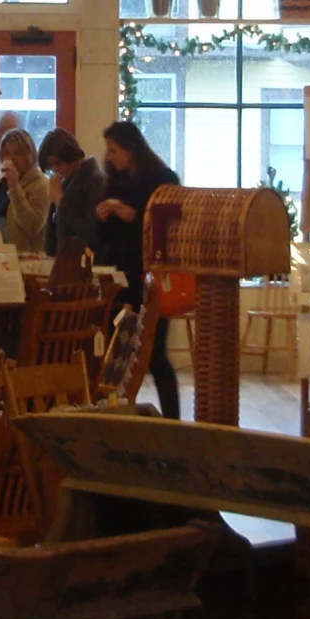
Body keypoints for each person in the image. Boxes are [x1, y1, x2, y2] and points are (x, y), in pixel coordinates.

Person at [94, 120, 181, 420]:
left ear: (132, 149)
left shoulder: (163, 179)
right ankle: (116, 412)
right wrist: (104, 216)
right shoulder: (115, 182)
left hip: (152, 277)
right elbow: (105, 236)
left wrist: (130, 214)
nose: (111, 157)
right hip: (122, 277)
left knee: (155, 353)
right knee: (117, 350)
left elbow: (167, 226)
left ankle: (172, 419)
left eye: (115, 150)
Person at [38, 128, 106, 259]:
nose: (56, 169)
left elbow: (90, 233)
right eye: (52, 166)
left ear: (71, 155)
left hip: (83, 265)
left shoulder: (95, 181)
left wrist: (60, 201)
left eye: (58, 163)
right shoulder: (67, 181)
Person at [0, 127, 50, 254]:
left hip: (25, 259)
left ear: (29, 156)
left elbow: (33, 225)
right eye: (7, 153)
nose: (11, 159)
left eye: (17, 153)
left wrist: (15, 187)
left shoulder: (41, 184)